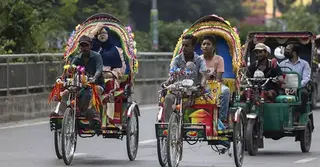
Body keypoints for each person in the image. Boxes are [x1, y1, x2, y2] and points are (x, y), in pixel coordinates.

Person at [50, 35, 104, 121]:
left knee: (94, 92)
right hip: (80, 85)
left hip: (95, 84)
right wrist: (62, 78)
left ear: (90, 46)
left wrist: (94, 78)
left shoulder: (97, 56)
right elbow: (69, 71)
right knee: (66, 93)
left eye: (86, 45)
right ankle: (60, 115)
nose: (84, 48)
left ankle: (93, 113)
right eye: (82, 46)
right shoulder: (77, 58)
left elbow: (99, 70)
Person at [162, 34, 207, 121]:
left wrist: (202, 84)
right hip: (178, 90)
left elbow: (204, 74)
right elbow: (172, 74)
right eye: (183, 45)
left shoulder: (199, 60)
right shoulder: (177, 59)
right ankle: (168, 127)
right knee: (168, 98)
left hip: (194, 91)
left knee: (190, 65)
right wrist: (167, 83)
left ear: (193, 46)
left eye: (187, 45)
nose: (184, 47)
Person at [200, 35, 230, 127]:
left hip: (215, 84)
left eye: (208, 44)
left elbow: (218, 78)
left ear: (213, 47)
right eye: (204, 44)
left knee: (225, 91)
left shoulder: (219, 59)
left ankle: (222, 119)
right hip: (201, 85)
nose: (205, 46)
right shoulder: (198, 59)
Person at [279, 44, 311, 123]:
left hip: (299, 88)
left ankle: (297, 115)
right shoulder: (282, 64)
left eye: (288, 50)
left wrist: (296, 88)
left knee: (304, 94)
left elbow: (306, 79)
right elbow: (279, 78)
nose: (285, 52)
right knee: (275, 93)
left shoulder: (304, 64)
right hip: (285, 87)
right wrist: (285, 87)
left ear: (294, 53)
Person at [88, 23, 126, 89]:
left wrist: (109, 74)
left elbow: (121, 69)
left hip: (109, 80)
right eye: (99, 33)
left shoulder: (116, 50)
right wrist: (96, 29)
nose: (102, 35)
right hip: (91, 78)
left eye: (104, 33)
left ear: (108, 34)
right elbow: (85, 41)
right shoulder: (93, 49)